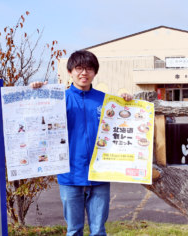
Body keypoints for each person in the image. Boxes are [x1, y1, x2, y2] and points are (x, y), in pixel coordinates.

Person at [31, 50, 132, 236]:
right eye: (79, 68)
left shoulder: (106, 101)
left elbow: (127, 124)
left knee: (98, 230)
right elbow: (34, 118)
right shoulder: (57, 99)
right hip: (70, 175)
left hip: (100, 174)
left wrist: (127, 101)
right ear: (70, 71)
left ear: (95, 72)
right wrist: (37, 92)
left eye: (89, 68)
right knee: (74, 230)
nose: (84, 73)